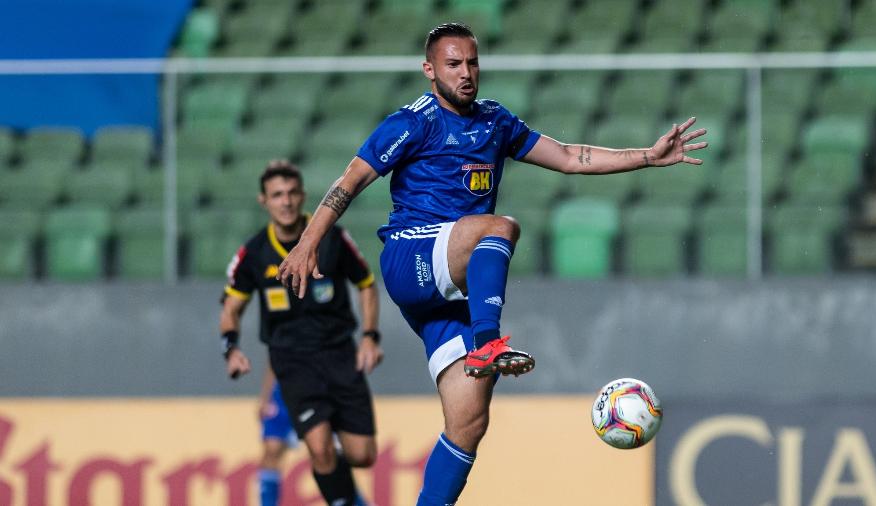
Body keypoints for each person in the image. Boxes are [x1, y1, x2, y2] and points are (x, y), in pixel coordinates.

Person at [276, 22, 708, 505]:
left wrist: (646, 157)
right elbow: (351, 180)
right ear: (429, 70)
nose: (466, 73)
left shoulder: (494, 122)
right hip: (410, 255)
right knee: (499, 227)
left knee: (468, 423)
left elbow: (568, 156)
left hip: (448, 291)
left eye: (472, 63)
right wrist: (309, 241)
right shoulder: (412, 122)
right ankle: (487, 341)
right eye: (453, 64)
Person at [220, 160, 383, 506]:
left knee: (363, 454)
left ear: (304, 195)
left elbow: (367, 285)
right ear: (264, 201)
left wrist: (370, 336)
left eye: (293, 193)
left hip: (340, 353)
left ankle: (341, 484)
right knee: (320, 448)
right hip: (293, 364)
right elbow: (231, 308)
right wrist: (230, 348)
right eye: (277, 195)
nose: (287, 201)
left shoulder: (332, 238)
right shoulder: (253, 253)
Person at [255, 366, 299, 506]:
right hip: (282, 391)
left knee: (328, 453)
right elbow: (273, 353)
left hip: (317, 387)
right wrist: (265, 396)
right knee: (271, 450)